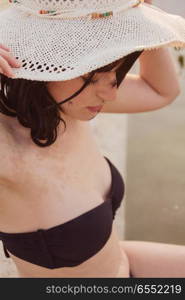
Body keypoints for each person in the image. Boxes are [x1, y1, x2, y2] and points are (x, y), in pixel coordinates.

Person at [0, 0, 185, 278]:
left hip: (125, 263)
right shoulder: (8, 150)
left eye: (117, 69)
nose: (110, 93)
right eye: (93, 73)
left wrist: (140, 24)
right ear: (49, 60)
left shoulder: (63, 104)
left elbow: (160, 91)